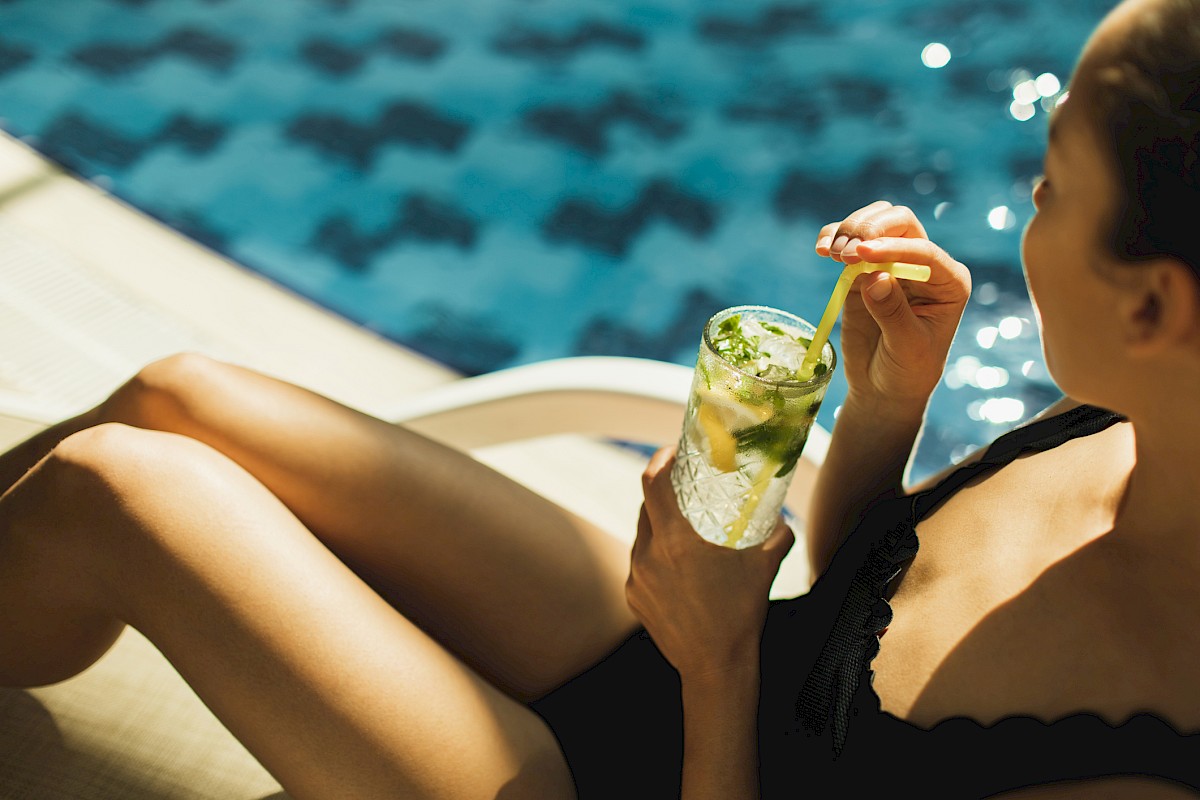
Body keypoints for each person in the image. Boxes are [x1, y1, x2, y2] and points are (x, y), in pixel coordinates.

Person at [1, 0, 1198, 795]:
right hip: (686, 676)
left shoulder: (1143, 746)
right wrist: (891, 403)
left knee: (123, 491)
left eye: (1052, 184)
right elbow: (854, 612)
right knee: (180, 394)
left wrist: (719, 656)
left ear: (1151, 307)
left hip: (662, 761)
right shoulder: (1119, 419)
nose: (1026, 196)